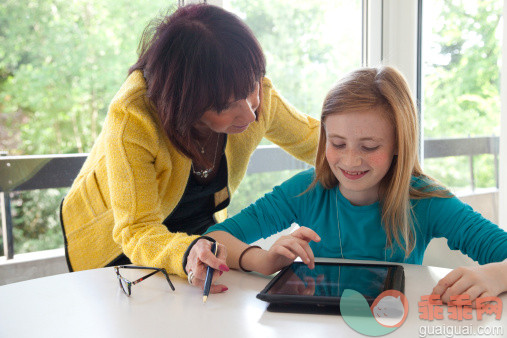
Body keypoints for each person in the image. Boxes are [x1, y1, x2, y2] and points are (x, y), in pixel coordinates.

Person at [60, 3, 319, 292]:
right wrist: (187, 252)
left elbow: (320, 142)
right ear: (185, 103)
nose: (249, 114)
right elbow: (137, 229)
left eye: (252, 87)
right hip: (119, 247)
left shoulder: (257, 98)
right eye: (224, 105)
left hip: (197, 238)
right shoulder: (133, 118)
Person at [201, 66, 507, 304]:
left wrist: (497, 275)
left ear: (399, 143)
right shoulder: (306, 190)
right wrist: (262, 259)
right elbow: (215, 237)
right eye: (337, 143)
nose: (350, 161)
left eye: (369, 147)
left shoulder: (426, 200)